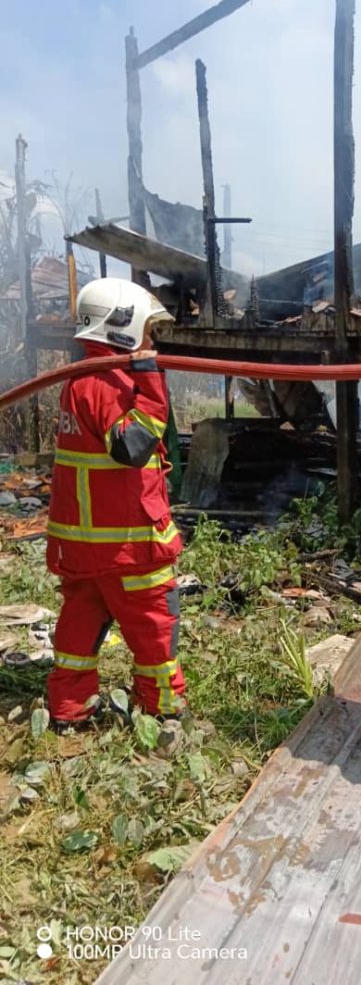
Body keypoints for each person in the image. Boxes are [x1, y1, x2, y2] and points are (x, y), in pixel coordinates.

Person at [46, 277, 186, 729]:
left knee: (80, 627)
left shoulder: (80, 379)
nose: (151, 342)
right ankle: (162, 710)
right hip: (126, 547)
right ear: (121, 326)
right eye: (147, 331)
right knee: (154, 627)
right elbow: (132, 447)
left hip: (84, 547)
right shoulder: (106, 382)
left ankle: (70, 710)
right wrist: (150, 382)